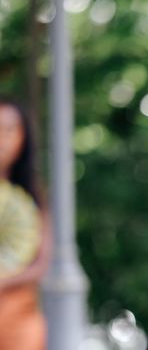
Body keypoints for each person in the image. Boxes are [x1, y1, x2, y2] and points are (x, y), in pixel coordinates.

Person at [0, 97, 50, 350]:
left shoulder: (34, 195)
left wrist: (5, 281)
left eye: (10, 129)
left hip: (19, 316)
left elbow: (42, 260)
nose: (3, 139)